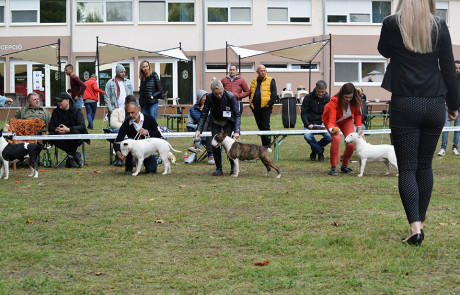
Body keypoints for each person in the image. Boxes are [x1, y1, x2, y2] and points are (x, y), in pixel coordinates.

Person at [378, 0, 459, 246]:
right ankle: (420, 226)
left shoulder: (392, 23)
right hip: (434, 103)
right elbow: (448, 67)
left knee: (408, 168)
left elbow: (384, 51)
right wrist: (454, 104)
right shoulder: (440, 26)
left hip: (405, 102)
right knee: (425, 167)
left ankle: (415, 227)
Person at [195, 79, 241, 176]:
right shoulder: (209, 97)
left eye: (220, 93)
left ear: (223, 89)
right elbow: (204, 114)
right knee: (214, 144)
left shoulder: (230, 96)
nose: (219, 96)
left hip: (228, 121)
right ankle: (218, 168)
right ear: (212, 92)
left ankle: (233, 167)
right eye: (216, 94)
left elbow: (237, 114)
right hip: (215, 121)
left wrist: (237, 131)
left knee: (229, 145)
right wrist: (199, 129)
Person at [322, 83, 363, 176]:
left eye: (350, 97)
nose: (348, 99)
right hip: (332, 121)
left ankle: (345, 165)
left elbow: (357, 114)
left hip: (346, 119)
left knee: (352, 143)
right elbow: (331, 120)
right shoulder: (334, 101)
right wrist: (332, 129)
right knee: (336, 139)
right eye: (346, 97)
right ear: (342, 94)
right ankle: (333, 167)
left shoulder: (355, 100)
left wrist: (360, 130)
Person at [114, 101, 162, 174]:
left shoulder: (149, 119)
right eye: (128, 113)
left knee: (152, 170)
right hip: (133, 151)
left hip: (147, 151)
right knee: (129, 141)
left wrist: (147, 132)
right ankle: (129, 167)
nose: (130, 115)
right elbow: (118, 140)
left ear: (138, 110)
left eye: (132, 112)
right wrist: (117, 152)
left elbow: (159, 134)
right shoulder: (126, 123)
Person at [48, 92, 89, 168]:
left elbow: (82, 126)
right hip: (60, 136)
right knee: (51, 136)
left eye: (60, 101)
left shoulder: (77, 111)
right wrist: (56, 129)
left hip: (74, 135)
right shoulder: (55, 112)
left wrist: (69, 130)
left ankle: (70, 158)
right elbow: (50, 127)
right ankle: (74, 154)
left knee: (76, 134)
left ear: (67, 101)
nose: (58, 103)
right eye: (57, 101)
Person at [301, 80, 331, 162]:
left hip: (323, 124)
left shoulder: (328, 99)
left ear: (325, 90)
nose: (321, 94)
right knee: (307, 136)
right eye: (319, 91)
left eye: (323, 92)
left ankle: (315, 150)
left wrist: (324, 123)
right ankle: (320, 151)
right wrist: (307, 124)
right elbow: (303, 113)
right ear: (316, 88)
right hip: (310, 124)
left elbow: (330, 114)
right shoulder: (308, 97)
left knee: (329, 137)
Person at [249, 65, 277, 150]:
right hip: (256, 108)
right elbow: (251, 93)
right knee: (260, 127)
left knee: (265, 126)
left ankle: (268, 146)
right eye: (261, 71)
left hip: (266, 107)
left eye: (264, 70)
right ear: (257, 72)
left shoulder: (271, 80)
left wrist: (269, 105)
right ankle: (264, 146)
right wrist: (251, 105)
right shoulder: (254, 81)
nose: (263, 72)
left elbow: (274, 93)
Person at [437, 60, 460, 156]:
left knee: (457, 129)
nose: (458, 70)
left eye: (459, 68)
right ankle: (443, 148)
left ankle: (455, 148)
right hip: (448, 106)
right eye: (456, 68)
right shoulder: (448, 78)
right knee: (446, 127)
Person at [187, 90, 214, 165]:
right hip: (199, 132)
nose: (206, 102)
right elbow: (188, 124)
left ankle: (196, 145)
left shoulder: (212, 108)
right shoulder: (192, 109)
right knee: (205, 125)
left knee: (208, 125)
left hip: (209, 132)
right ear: (199, 100)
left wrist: (206, 111)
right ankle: (211, 156)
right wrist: (198, 127)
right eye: (204, 100)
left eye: (207, 100)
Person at [110, 94, 137, 167]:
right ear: (125, 104)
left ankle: (128, 158)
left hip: (130, 135)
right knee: (117, 131)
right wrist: (125, 127)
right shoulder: (116, 111)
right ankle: (120, 157)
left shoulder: (137, 114)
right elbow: (113, 124)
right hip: (118, 133)